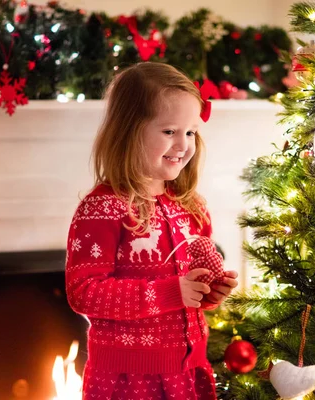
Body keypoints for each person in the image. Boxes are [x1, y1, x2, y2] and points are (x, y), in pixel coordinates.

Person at [65, 62, 239, 400]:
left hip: (188, 370)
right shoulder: (103, 209)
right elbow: (83, 291)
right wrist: (172, 292)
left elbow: (190, 292)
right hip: (128, 379)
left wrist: (208, 294)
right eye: (170, 131)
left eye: (190, 132)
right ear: (130, 131)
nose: (183, 144)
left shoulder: (192, 206)